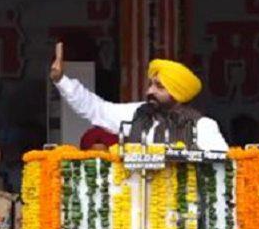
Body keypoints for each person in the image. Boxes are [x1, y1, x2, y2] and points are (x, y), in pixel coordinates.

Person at [50, 42, 228, 151]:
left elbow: (224, 172)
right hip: (134, 208)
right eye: (150, 84)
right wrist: (61, 80)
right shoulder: (137, 113)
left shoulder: (202, 126)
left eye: (159, 87)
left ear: (176, 93)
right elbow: (95, 109)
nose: (149, 91)